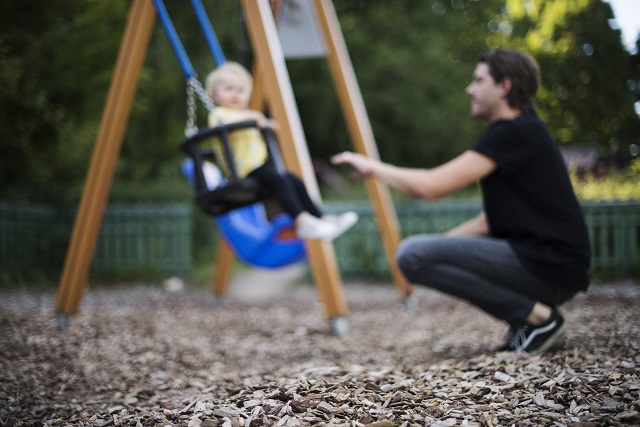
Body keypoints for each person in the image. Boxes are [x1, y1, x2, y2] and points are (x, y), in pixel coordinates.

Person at [332, 48, 591, 355]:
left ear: (504, 86)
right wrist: (431, 253)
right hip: (553, 265)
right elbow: (487, 222)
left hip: (549, 264)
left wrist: (373, 168)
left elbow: (431, 187)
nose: (470, 89)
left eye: (479, 80)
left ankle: (538, 319)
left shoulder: (514, 132)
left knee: (411, 253)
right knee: (415, 255)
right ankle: (531, 319)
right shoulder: (523, 132)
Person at [205, 62, 358, 241]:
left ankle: (322, 218)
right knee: (280, 180)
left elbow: (254, 123)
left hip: (260, 167)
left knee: (294, 180)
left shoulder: (244, 115)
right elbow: (224, 125)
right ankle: (302, 222)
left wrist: (265, 124)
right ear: (214, 95)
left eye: (240, 91)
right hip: (243, 170)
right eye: (229, 89)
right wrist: (253, 117)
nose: (235, 95)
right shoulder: (219, 114)